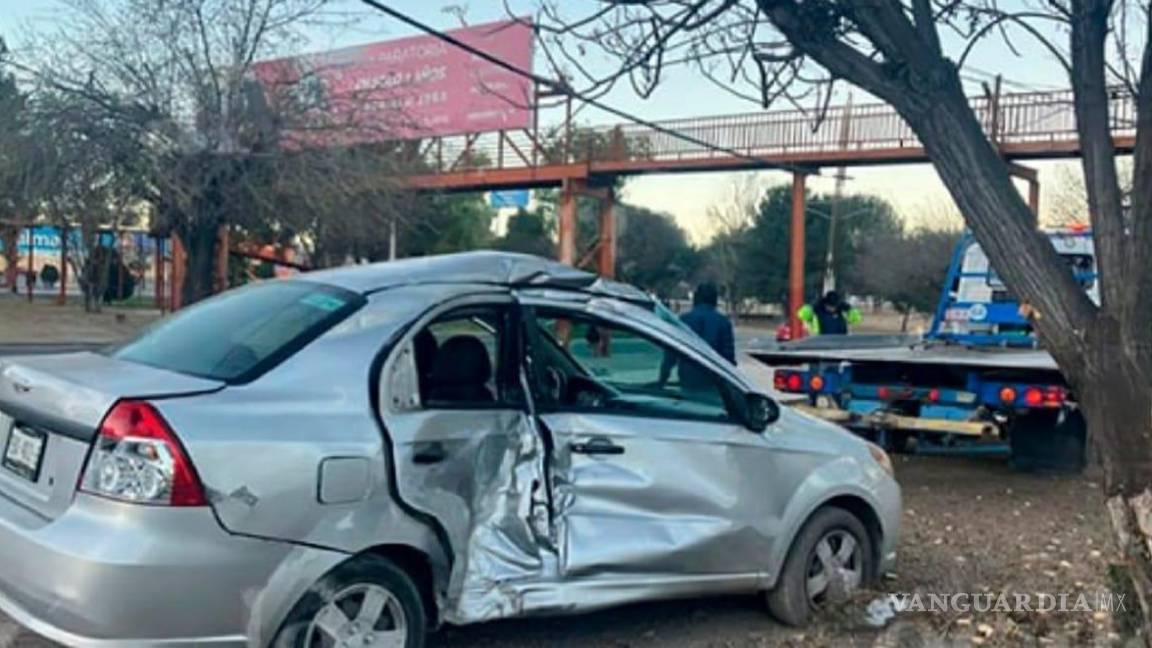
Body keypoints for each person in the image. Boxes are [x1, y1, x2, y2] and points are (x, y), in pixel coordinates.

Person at [658, 282, 735, 391]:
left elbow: (670, 356)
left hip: (688, 379)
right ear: (715, 300)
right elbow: (728, 358)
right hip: (714, 381)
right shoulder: (723, 323)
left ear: (695, 299)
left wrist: (661, 381)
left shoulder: (683, 321)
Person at [797, 290, 862, 336]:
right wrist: (812, 306)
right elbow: (801, 314)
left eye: (834, 306)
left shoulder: (842, 313)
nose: (832, 308)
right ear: (825, 304)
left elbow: (856, 319)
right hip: (819, 343)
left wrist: (849, 308)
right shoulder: (816, 312)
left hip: (840, 343)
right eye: (830, 306)